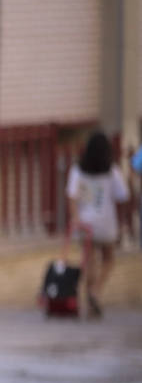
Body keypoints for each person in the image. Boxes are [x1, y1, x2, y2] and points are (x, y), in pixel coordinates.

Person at [67, 131, 130, 316]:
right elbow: (123, 195)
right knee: (109, 259)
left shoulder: (78, 170)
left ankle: (89, 296)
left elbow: (71, 196)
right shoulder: (111, 171)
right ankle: (96, 291)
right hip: (106, 223)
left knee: (90, 260)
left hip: (85, 223)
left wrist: (76, 218)